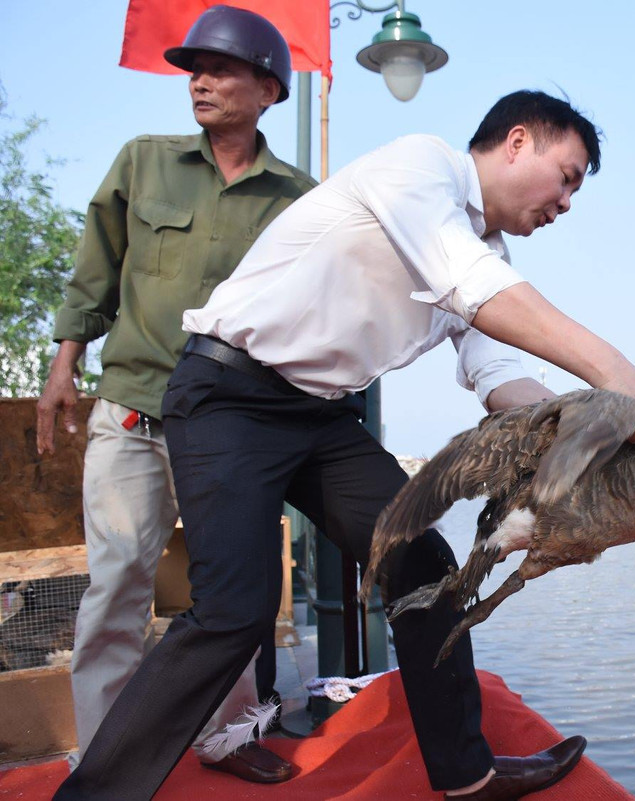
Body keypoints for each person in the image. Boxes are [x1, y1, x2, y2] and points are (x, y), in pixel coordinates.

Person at [55, 89, 635, 801]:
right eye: (566, 177)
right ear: (516, 143)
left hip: (317, 418)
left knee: (424, 565)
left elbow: (500, 375)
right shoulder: (421, 168)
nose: (566, 203)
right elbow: (471, 285)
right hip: (226, 393)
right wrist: (619, 373)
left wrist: (592, 424)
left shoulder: (489, 253)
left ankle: (466, 776)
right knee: (234, 611)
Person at [36, 5, 315, 784]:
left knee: (230, 593)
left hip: (231, 429)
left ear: (267, 88)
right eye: (193, 67)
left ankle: (227, 736)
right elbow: (95, 268)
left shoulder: (301, 197)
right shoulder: (143, 161)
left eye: (221, 68)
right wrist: (65, 363)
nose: (199, 79)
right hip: (130, 410)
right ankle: (103, 755)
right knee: (116, 584)